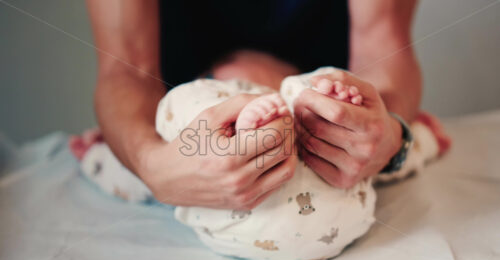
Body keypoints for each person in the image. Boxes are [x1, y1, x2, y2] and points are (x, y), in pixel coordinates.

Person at [83, 0, 423, 209]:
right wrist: (147, 160)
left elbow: (385, 48)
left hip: (320, 109)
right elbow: (125, 69)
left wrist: (393, 133)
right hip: (182, 112)